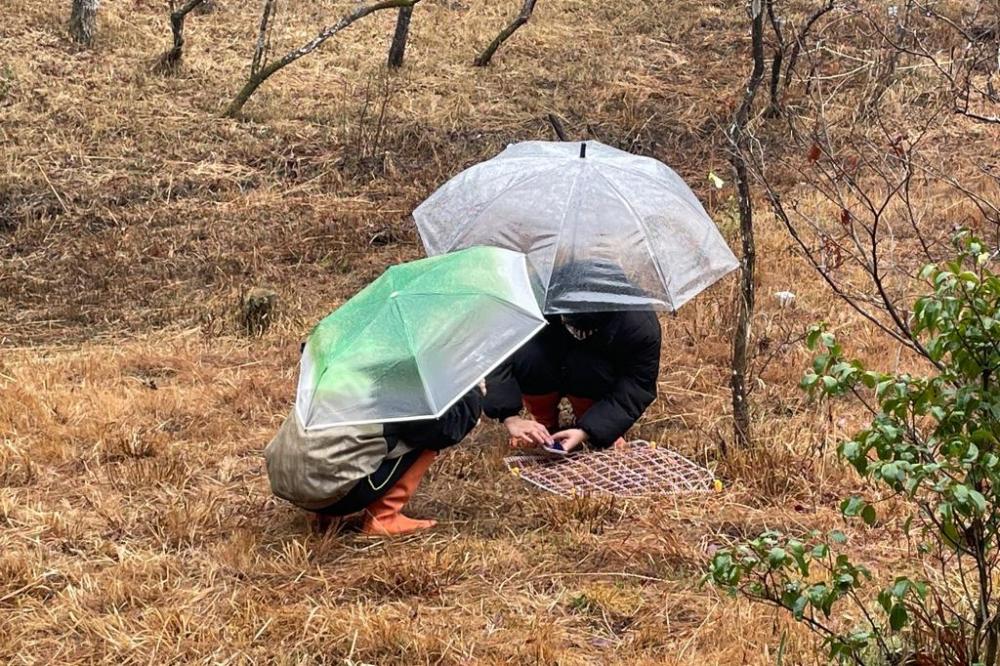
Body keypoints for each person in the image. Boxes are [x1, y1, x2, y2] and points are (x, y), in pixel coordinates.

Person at [265, 384, 484, 536]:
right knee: (428, 438)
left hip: (288, 483)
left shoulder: (342, 361)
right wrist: (474, 394)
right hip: (337, 494)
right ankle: (384, 518)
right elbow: (445, 431)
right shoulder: (401, 382)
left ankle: (324, 517)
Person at [484, 310, 661, 452]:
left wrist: (587, 431)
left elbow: (637, 385)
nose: (579, 335)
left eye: (587, 332)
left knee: (586, 362)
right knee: (529, 355)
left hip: (596, 370)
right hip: (550, 352)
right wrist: (510, 418)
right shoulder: (536, 298)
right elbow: (500, 352)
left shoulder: (639, 324)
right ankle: (543, 422)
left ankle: (591, 417)